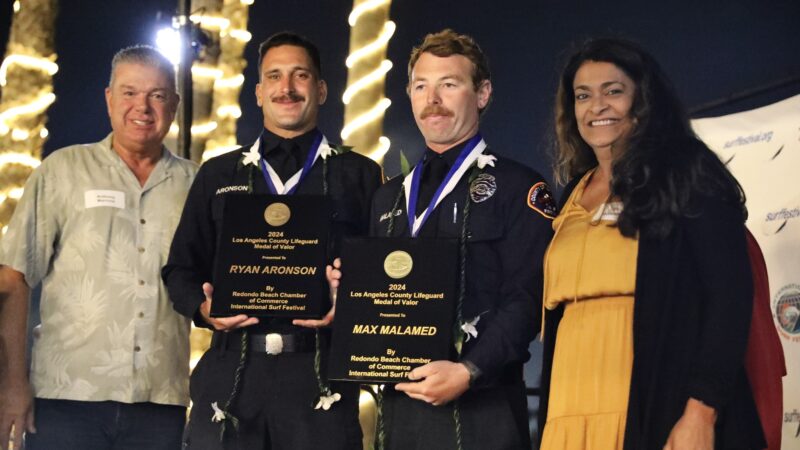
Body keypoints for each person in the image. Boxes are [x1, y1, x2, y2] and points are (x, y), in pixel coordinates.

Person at [537, 37, 766, 450]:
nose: (597, 106)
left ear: (643, 100)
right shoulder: (572, 192)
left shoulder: (686, 172)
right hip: (568, 407)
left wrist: (701, 411)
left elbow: (729, 296)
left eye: (613, 91)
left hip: (656, 400)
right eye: (583, 95)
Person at [162, 31, 382, 449]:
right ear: (259, 92)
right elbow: (180, 270)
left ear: (320, 89)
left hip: (319, 380)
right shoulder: (218, 173)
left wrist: (347, 303)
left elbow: (377, 275)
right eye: (275, 77)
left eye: (300, 76)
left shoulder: (360, 175)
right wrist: (205, 309)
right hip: (231, 375)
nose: (287, 88)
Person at [360, 29, 554, 449]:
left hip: (486, 406)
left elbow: (527, 298)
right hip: (400, 410)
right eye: (421, 86)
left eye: (449, 84)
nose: (433, 99)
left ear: (482, 93)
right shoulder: (387, 196)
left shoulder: (518, 187)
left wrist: (469, 370)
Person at [0, 45, 197, 450]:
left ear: (174, 104)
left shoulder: (198, 185)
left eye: (157, 95)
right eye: (129, 93)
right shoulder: (62, 171)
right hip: (64, 400)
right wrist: (13, 385)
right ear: (109, 99)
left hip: (160, 404)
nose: (142, 106)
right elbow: (14, 278)